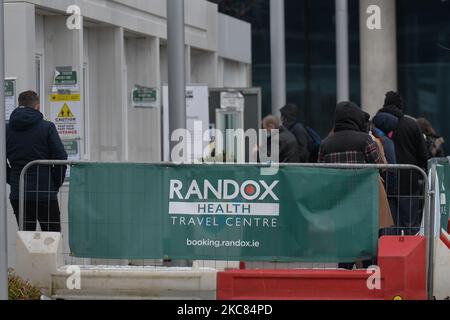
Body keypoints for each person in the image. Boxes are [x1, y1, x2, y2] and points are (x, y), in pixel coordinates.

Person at [318, 101, 384, 270]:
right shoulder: (365, 140)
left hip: (338, 203)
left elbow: (320, 172)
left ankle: (343, 281)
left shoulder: (326, 143)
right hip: (363, 202)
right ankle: (370, 281)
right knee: (368, 245)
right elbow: (380, 165)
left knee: (344, 246)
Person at [7, 90, 68, 232]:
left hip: (18, 192)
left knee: (26, 239)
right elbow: (61, 156)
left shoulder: (7, 129)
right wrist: (55, 183)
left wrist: (13, 179)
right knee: (51, 238)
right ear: (38, 106)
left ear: (19, 104)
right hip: (44, 191)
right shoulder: (47, 127)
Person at [377, 91, 429, 235]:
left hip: (384, 182)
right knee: (410, 225)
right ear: (401, 106)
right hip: (409, 181)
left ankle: (388, 256)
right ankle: (410, 256)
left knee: (388, 225)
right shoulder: (411, 124)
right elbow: (423, 155)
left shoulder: (376, 123)